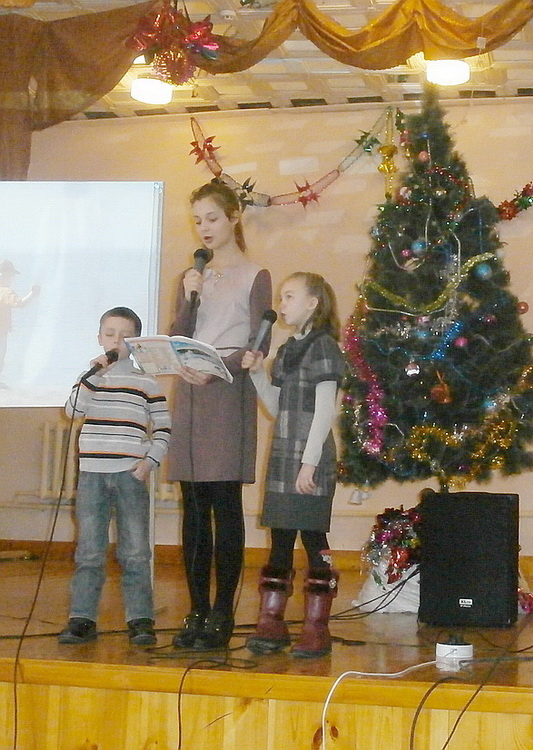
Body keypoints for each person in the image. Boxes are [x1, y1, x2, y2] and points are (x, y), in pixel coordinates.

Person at [168, 180, 272, 650]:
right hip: (190, 393)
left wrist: (216, 368)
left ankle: (223, 612)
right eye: (197, 221)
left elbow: (259, 341)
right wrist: (189, 295)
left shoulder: (255, 274)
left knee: (223, 502)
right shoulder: (190, 276)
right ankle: (195, 610)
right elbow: (178, 333)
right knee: (193, 504)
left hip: (227, 391)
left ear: (233, 217)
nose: (204, 228)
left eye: (211, 218)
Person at [241, 272, 345, 658]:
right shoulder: (287, 350)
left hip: (310, 458)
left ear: (313, 303)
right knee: (281, 538)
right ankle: (272, 621)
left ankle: (317, 628)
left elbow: (324, 412)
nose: (281, 304)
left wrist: (309, 463)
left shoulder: (324, 347)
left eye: (289, 296)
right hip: (285, 454)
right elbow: (276, 405)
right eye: (281, 297)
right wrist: (257, 374)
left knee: (313, 537)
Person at [59, 307, 171, 646]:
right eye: (110, 334)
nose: (116, 341)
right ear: (99, 338)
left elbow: (164, 428)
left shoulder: (146, 382)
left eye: (124, 336)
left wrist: (149, 462)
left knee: (135, 551)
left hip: (129, 475)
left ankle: (140, 619)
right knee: (89, 551)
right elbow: (72, 410)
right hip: (92, 475)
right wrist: (95, 373)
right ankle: (82, 618)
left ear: (135, 343)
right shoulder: (91, 377)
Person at [0, 258, 40, 387]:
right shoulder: (5, 291)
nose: (12, 279)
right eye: (11, 276)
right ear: (4, 275)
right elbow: (20, 303)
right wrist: (33, 294)